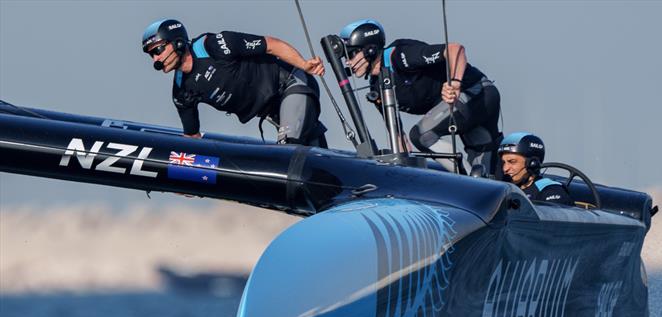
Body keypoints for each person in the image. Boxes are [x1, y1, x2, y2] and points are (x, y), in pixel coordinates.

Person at [339, 19, 501, 175]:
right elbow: (398, 138)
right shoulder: (378, 87)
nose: (348, 62)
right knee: (488, 172)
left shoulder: (399, 56)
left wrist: (455, 83)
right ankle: (480, 181)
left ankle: (467, 183)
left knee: (421, 135)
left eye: (351, 54)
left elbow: (455, 49)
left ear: (370, 49)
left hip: (477, 92)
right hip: (463, 109)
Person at [142, 19, 328, 146]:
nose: (155, 60)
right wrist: (186, 177)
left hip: (290, 83)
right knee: (311, 150)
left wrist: (304, 64)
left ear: (178, 43)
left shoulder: (216, 45)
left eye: (157, 50)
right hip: (273, 110)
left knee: (288, 151)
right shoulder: (181, 92)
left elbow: (271, 45)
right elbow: (192, 137)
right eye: (151, 55)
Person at [497, 132, 574, 205]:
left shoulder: (551, 190)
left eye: (512, 162)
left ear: (532, 163)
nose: (505, 168)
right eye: (504, 162)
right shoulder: (505, 190)